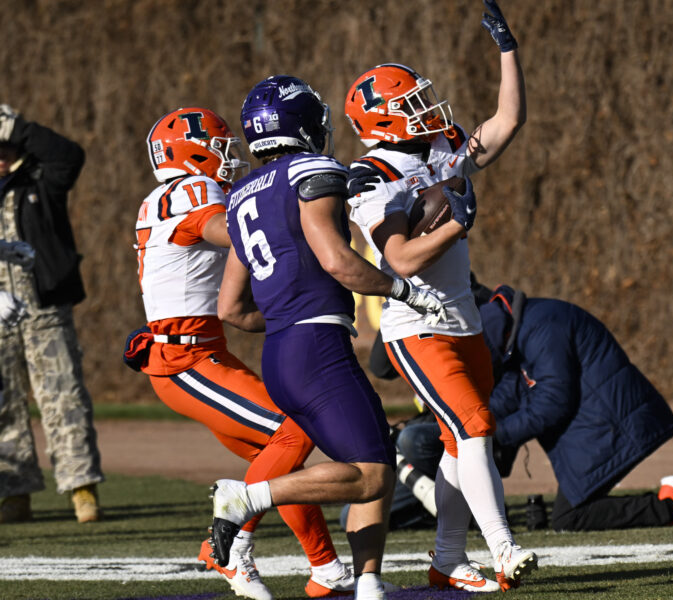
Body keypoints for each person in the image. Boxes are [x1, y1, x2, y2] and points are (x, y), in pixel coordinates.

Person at [213, 75, 445, 600]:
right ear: (305, 123)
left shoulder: (242, 194)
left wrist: (287, 318)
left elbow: (230, 308)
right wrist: (405, 291)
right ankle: (246, 498)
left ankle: (367, 581)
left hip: (283, 352)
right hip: (316, 347)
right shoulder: (311, 171)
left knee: (372, 460)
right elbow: (338, 262)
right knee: (370, 474)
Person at [343, 1, 535, 592]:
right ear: (380, 121)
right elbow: (398, 257)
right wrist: (456, 224)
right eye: (410, 105)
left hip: (463, 318)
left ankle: (448, 557)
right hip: (414, 324)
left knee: (463, 436)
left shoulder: (437, 147)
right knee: (474, 426)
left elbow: (506, 121)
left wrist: (508, 48)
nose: (427, 110)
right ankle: (503, 550)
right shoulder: (370, 175)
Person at [124, 107, 354, 600]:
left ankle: (327, 569)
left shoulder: (165, 195)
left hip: (200, 353)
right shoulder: (192, 191)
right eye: (221, 147)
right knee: (295, 428)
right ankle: (225, 545)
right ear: (191, 153)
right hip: (184, 359)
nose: (230, 158)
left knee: (279, 461)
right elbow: (236, 236)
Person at [362, 283, 673, 532]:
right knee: (569, 516)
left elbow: (553, 401)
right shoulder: (521, 327)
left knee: (570, 517)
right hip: (595, 417)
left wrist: (492, 434)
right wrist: (473, 421)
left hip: (607, 418)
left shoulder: (541, 327)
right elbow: (515, 394)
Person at [0, 104, 104, 524]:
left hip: (44, 307)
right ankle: (14, 493)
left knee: (63, 399)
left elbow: (69, 154)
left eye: (5, 146)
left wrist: (16, 127)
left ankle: (82, 489)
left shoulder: (42, 178)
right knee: (4, 405)